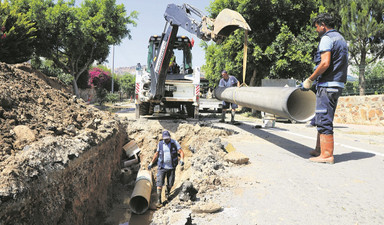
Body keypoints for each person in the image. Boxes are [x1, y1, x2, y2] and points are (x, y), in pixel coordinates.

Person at [302, 13, 348, 164]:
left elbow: (325, 63)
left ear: (323, 24)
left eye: (316, 27)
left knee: (323, 119)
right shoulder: (341, 38)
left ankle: (327, 155)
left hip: (327, 85)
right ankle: (319, 149)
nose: (316, 30)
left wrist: (310, 79)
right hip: (338, 84)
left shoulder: (327, 38)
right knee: (323, 117)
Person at [148, 130, 184, 207]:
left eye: (167, 138)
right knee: (159, 184)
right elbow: (156, 154)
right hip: (162, 167)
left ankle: (167, 194)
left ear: (169, 137)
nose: (166, 140)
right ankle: (159, 200)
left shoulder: (174, 143)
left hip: (171, 167)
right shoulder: (160, 144)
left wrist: (182, 159)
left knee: (170, 184)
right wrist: (151, 163)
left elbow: (181, 151)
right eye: (165, 139)